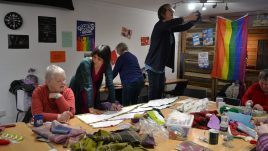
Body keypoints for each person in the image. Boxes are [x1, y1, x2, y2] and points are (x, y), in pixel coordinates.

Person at [144, 3, 199, 100]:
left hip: (160, 66)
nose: (172, 12)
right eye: (170, 10)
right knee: (154, 92)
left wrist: (193, 22)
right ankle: (151, 113)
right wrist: (189, 17)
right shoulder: (160, 25)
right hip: (153, 65)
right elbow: (175, 22)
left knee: (160, 92)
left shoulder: (168, 28)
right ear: (163, 14)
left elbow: (182, 27)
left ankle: (158, 111)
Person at [70, 45, 122, 114]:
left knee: (95, 109)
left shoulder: (106, 64)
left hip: (92, 87)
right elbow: (88, 85)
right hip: (80, 87)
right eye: (94, 57)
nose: (95, 61)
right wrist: (90, 107)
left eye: (99, 59)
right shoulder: (85, 62)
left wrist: (113, 102)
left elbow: (110, 82)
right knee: (83, 110)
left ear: (105, 60)